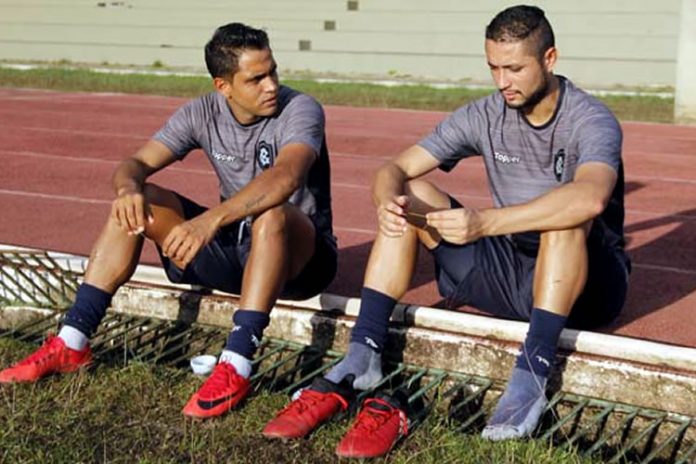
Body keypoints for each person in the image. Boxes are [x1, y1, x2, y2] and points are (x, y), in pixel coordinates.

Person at [262, 5, 630, 458]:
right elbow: (394, 168)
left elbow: (590, 198)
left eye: (514, 68)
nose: (502, 82)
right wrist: (387, 205)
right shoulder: (485, 114)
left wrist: (484, 222)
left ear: (549, 59)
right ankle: (365, 350)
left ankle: (532, 373)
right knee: (409, 192)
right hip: (513, 271)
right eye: (493, 67)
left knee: (565, 215)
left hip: (587, 286)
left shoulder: (590, 119)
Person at [0, 23, 337, 420]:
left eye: (273, 71)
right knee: (138, 201)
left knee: (273, 213)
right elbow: (135, 164)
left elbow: (286, 178)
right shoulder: (202, 113)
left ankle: (237, 363)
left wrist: (208, 221)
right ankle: (73, 339)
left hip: (302, 260)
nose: (271, 85)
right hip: (239, 252)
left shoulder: (300, 108)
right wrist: (128, 189)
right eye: (256, 78)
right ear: (223, 86)